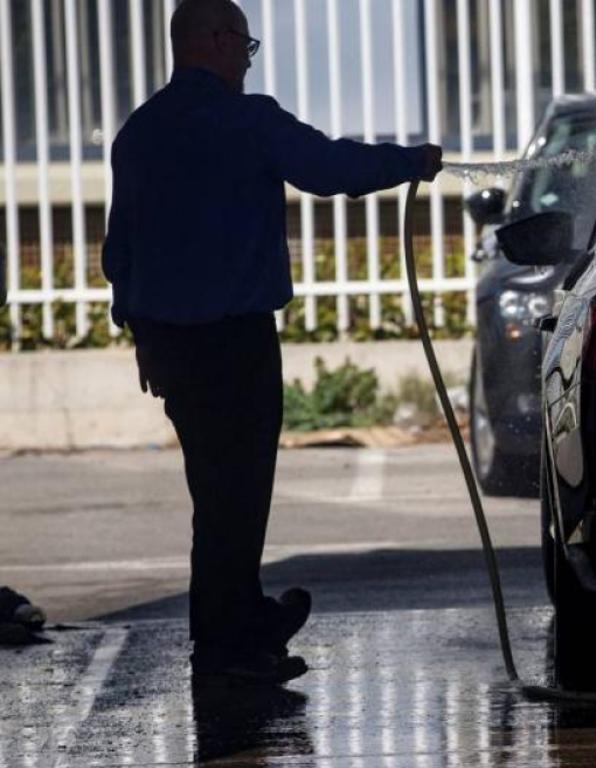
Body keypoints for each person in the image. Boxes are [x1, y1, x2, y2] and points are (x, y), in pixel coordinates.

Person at [102, 0, 441, 684]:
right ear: (219, 42)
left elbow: (122, 250)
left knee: (215, 491)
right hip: (236, 340)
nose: (248, 60)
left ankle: (239, 622)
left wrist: (139, 332)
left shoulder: (139, 133)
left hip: (171, 344)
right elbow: (329, 168)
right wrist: (415, 162)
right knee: (240, 493)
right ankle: (230, 646)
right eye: (246, 46)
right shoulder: (247, 121)